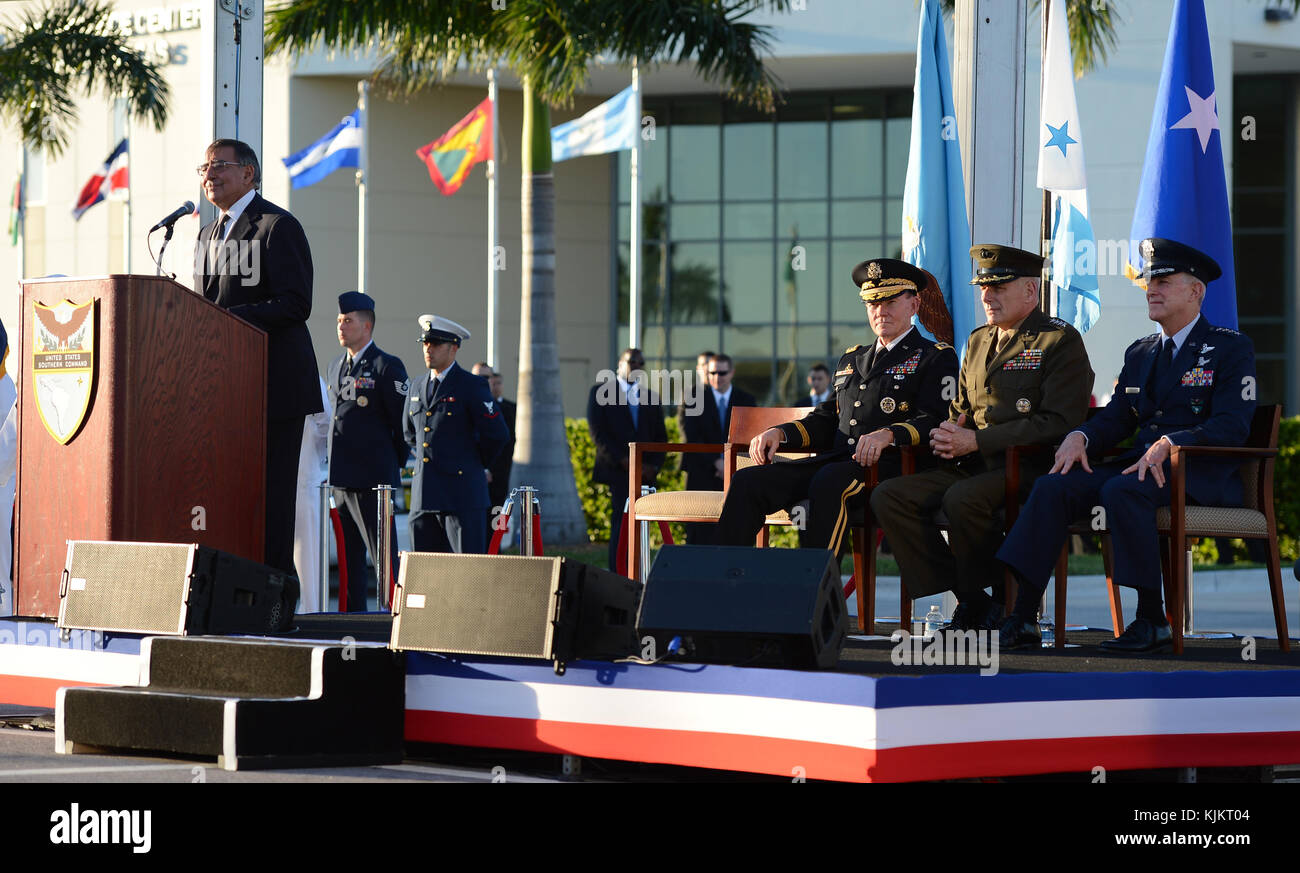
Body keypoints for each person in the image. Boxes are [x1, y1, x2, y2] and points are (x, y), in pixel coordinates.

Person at [995, 239, 1255, 652]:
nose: (1151, 288)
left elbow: (1232, 425)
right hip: (1141, 466)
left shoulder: (1229, 347)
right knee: (1053, 485)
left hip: (1196, 470)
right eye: (1150, 280)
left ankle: (1151, 619)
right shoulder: (1142, 351)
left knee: (1123, 489)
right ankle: (1023, 615)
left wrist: (1172, 442)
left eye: (1164, 281)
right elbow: (1118, 417)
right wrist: (1080, 437)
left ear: (1196, 291)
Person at [869, 245, 1094, 632]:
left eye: (998, 287)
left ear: (1030, 291)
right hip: (971, 463)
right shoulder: (976, 341)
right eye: (983, 288)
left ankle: (997, 600)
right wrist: (951, 432)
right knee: (890, 495)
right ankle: (974, 599)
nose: (986, 296)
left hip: (1029, 466)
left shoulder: (1058, 341)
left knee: (962, 499)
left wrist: (977, 442)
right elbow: (962, 407)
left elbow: (1057, 422)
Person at [717, 259, 958, 552]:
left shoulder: (935, 357)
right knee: (748, 482)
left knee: (829, 480)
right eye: (872, 304)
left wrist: (889, 434)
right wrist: (779, 434)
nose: (881, 311)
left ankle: (816, 591)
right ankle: (728, 583)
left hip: (893, 467)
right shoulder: (852, 359)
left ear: (914, 305)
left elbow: (935, 420)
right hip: (838, 462)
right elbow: (826, 419)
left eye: (891, 302)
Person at [194, 138, 322, 576]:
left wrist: (230, 318)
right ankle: (233, 591)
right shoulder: (206, 233)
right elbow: (203, 308)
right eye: (205, 168)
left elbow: (296, 303)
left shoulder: (276, 226)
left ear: (249, 173)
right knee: (233, 496)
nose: (209, 175)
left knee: (271, 498)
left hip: (274, 388)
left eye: (220, 166)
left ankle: (275, 597)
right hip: (226, 391)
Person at [327, 292, 410, 610]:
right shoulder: (336, 365)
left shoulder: (386, 366)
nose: (341, 327)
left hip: (374, 481)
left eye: (347, 321)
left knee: (383, 558)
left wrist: (391, 468)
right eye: (339, 321)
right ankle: (352, 621)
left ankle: (393, 617)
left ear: (367, 325)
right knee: (349, 562)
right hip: (342, 479)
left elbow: (402, 425)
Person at [404, 315, 508, 554]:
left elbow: (496, 435)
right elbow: (410, 433)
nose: (428, 349)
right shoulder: (416, 386)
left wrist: (471, 463)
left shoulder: (472, 385)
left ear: (453, 348)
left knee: (466, 576)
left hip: (462, 496)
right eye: (425, 343)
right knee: (424, 576)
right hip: (423, 496)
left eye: (436, 344)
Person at [587, 348, 669, 570]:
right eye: (631, 361)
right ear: (619, 364)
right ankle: (618, 570)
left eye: (640, 363)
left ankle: (640, 569)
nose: (636, 366)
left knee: (643, 525)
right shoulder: (601, 392)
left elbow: (661, 436)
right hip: (618, 471)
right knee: (620, 523)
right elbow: (598, 433)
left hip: (646, 473)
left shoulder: (650, 396)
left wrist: (654, 466)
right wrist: (622, 460)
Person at [681, 352, 757, 543]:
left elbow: (750, 436)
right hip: (702, 471)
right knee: (699, 529)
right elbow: (691, 435)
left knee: (735, 526)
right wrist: (717, 462)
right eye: (712, 373)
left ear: (731, 373)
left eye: (722, 373)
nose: (717, 378)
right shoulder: (693, 397)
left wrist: (731, 464)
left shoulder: (746, 400)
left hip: (737, 473)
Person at [293, 376, 330, 613]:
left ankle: (312, 613)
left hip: (305, 478)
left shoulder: (310, 379)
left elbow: (327, 422)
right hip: (295, 478)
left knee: (308, 557)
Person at [472, 362, 517, 536]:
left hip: (498, 476)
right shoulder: (465, 404)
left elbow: (507, 442)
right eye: (478, 377)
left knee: (496, 525)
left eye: (487, 377)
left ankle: (497, 555)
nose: (483, 381)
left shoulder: (507, 409)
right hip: (472, 475)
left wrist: (489, 468)